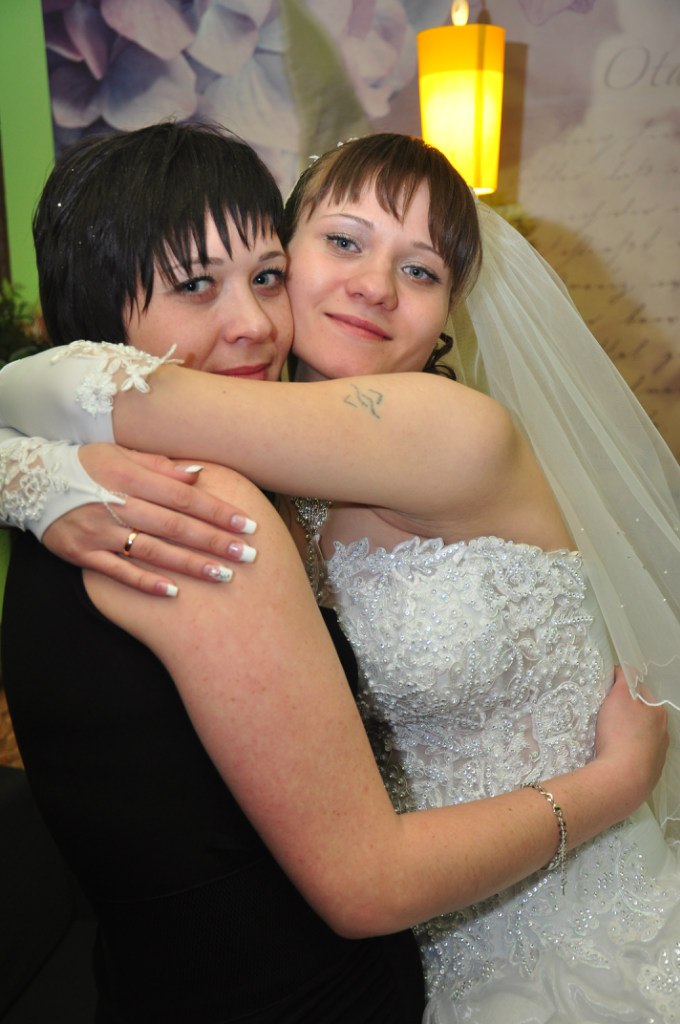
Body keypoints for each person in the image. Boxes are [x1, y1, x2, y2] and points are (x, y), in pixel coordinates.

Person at [0, 127, 677, 1022]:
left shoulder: (451, 431)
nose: (376, 286)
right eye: (344, 242)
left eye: (421, 271)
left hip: (571, 923)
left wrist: (29, 470)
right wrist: (34, 477)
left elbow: (77, 384)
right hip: (403, 938)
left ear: (449, 311)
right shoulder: (269, 468)